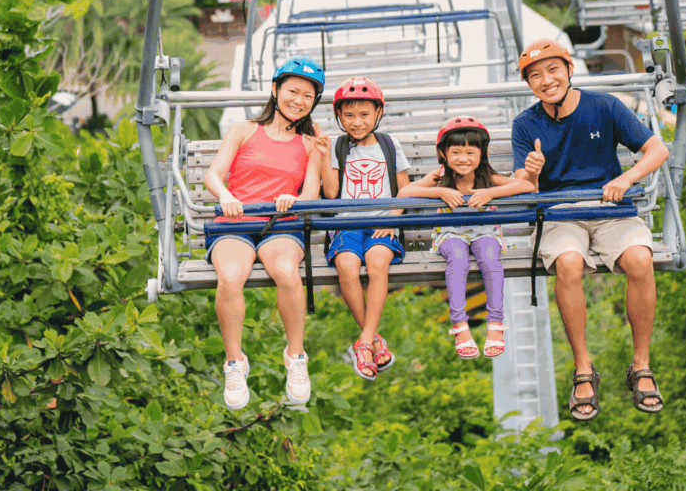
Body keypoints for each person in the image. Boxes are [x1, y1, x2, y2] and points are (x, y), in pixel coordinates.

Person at [511, 39, 670, 421]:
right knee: (567, 263)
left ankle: (641, 365)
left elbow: (658, 150)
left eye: (552, 71)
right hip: (560, 214)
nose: (546, 81)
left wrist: (626, 178)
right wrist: (532, 174)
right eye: (536, 76)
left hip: (609, 207)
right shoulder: (525, 124)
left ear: (568, 70)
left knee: (639, 258)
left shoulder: (605, 106)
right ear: (529, 84)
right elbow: (523, 186)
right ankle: (584, 368)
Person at [204, 56, 327, 410]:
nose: (299, 100)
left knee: (288, 273)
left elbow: (311, 195)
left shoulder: (308, 145)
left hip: (280, 225)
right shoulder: (244, 130)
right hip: (237, 224)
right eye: (293, 91)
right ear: (275, 91)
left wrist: (294, 198)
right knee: (229, 278)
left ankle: (296, 355)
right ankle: (234, 362)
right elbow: (214, 175)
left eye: (308, 96)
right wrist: (226, 195)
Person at [399, 117, 540, 360]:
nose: (463, 158)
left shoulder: (487, 177)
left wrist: (491, 193)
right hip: (450, 232)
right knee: (457, 259)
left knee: (490, 260)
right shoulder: (440, 176)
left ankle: (495, 323)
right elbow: (405, 192)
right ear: (443, 153)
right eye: (455, 152)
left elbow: (527, 188)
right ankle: (460, 326)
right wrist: (439, 191)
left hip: (484, 231)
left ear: (482, 154)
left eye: (470, 152)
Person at [314, 77, 409, 381]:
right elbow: (331, 194)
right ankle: (372, 339)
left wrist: (392, 220)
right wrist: (322, 154)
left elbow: (405, 190)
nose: (357, 122)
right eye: (349, 115)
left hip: (383, 224)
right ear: (339, 116)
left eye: (364, 115)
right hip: (347, 224)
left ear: (378, 114)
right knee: (347, 265)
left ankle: (364, 342)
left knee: (377, 261)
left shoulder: (389, 145)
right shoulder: (339, 147)